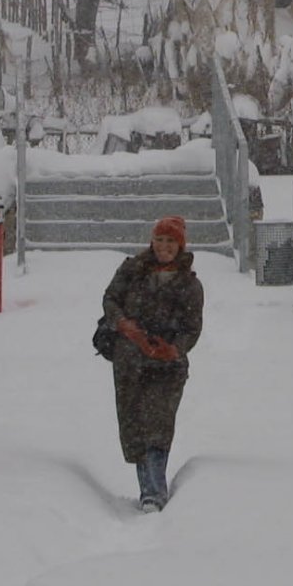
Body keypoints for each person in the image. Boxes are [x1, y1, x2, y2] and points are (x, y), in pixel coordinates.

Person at [102, 215, 204, 510]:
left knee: (158, 425)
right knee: (135, 427)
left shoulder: (189, 285)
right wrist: (124, 326)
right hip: (130, 363)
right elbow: (110, 299)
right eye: (160, 240)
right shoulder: (131, 270)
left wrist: (173, 350)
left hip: (167, 368)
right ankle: (148, 487)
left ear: (180, 245)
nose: (164, 247)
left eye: (170, 241)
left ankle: (153, 492)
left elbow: (192, 328)